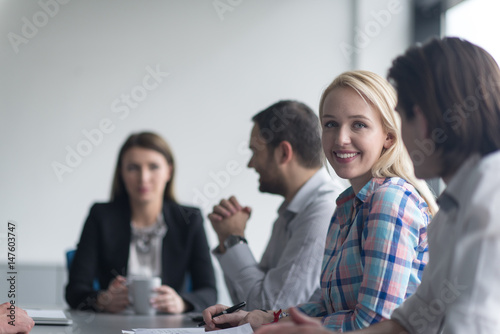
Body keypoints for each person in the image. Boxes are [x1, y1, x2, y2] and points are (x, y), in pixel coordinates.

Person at [254, 37, 500, 334]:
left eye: (404, 116)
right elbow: (407, 323)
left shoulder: (487, 201)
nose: (402, 135)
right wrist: (271, 320)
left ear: (425, 120)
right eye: (330, 124)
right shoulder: (453, 207)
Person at [203, 71, 437, 331]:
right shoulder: (346, 205)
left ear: (389, 137)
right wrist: (260, 318)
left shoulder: (388, 200)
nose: (340, 139)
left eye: (358, 124)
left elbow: (373, 324)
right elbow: (326, 306)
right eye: (330, 124)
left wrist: (285, 326)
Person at [208, 100, 343, 310]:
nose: (250, 164)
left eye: (255, 151)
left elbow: (272, 309)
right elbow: (244, 304)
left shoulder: (323, 211)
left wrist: (234, 240)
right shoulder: (290, 212)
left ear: (283, 153)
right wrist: (229, 239)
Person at [65, 132, 217, 313]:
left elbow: (209, 292)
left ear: (168, 171)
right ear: (121, 172)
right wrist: (102, 300)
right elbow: (75, 290)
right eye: (133, 168)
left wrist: (182, 303)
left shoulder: (190, 219)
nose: (143, 178)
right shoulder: (101, 216)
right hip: (111, 326)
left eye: (153, 167)